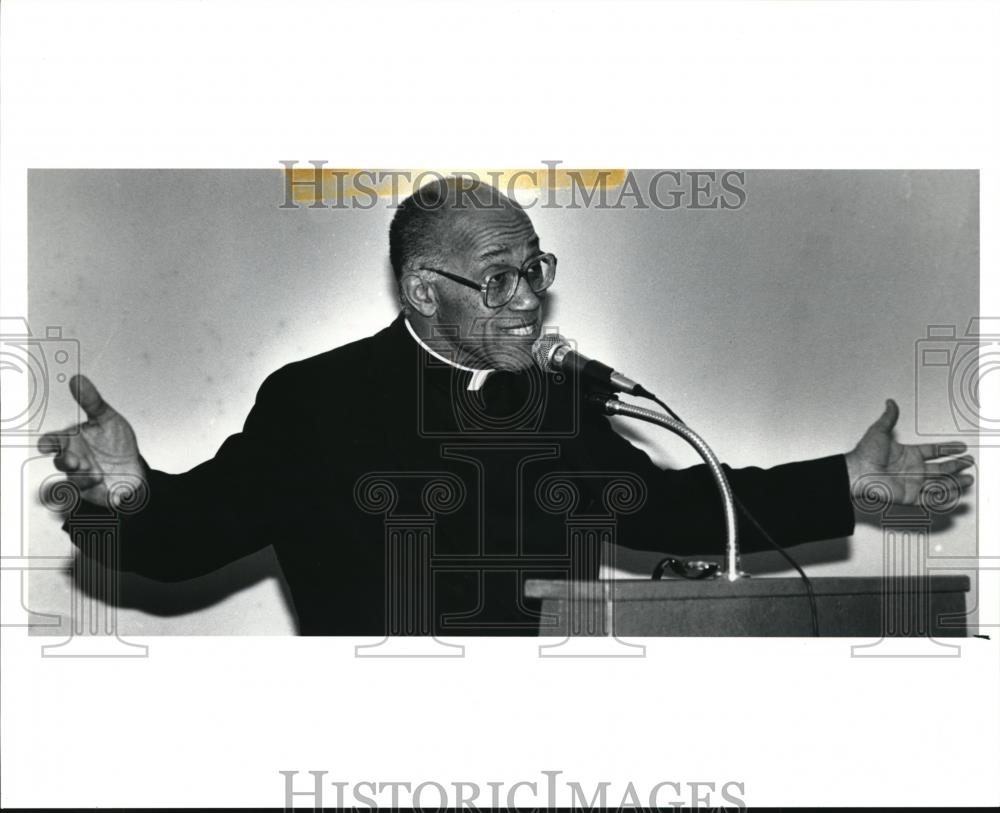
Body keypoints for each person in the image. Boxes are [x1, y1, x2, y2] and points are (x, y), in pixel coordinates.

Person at [38, 178, 975, 635]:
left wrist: (843, 483)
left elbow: (674, 510)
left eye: (535, 270)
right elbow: (187, 538)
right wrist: (125, 494)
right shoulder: (314, 401)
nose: (528, 298)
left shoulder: (563, 396)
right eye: (497, 279)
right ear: (421, 290)